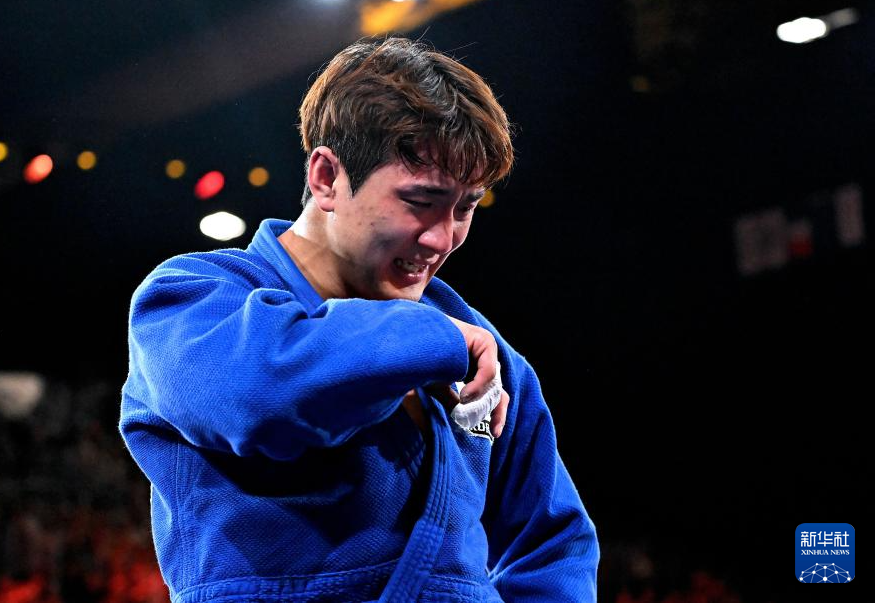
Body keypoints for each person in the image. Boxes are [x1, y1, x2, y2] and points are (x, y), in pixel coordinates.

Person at [120, 36, 599, 602]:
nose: (442, 238)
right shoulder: (191, 300)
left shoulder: (477, 344)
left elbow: (554, 543)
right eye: (420, 201)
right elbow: (259, 396)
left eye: (465, 207)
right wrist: (432, 340)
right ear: (327, 177)